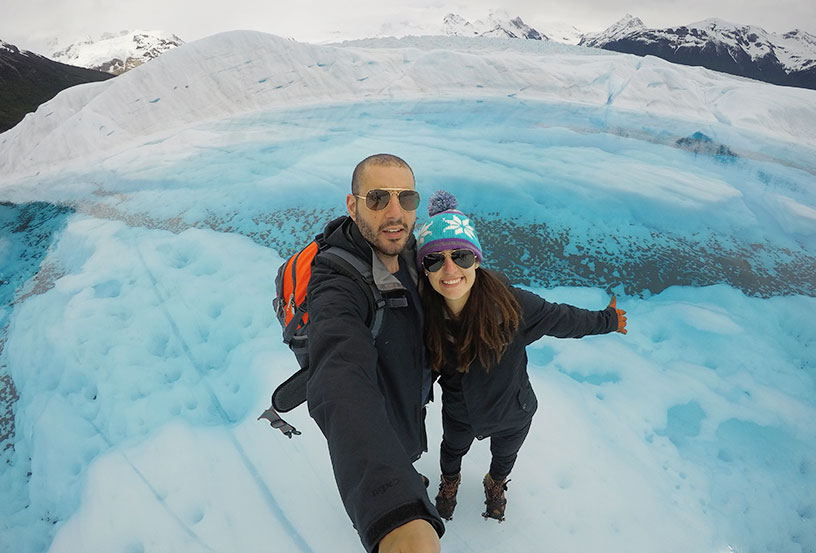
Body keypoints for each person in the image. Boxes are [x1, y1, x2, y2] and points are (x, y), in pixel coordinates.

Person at [415, 191, 628, 522]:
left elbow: (563, 318)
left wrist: (608, 320)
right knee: (452, 451)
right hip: (461, 411)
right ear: (424, 270)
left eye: (462, 256)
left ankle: (495, 483)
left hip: (514, 408)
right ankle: (450, 482)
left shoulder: (512, 306)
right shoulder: (423, 318)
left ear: (477, 259)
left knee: (504, 455)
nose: (450, 268)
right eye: (434, 259)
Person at [306, 154, 445, 553]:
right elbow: (340, 379)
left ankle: (408, 471)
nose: (395, 213)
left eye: (407, 198)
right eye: (378, 198)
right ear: (352, 205)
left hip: (410, 391)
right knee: (398, 447)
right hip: (379, 406)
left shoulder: (406, 247)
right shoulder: (337, 283)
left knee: (409, 446)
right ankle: (404, 482)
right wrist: (394, 511)